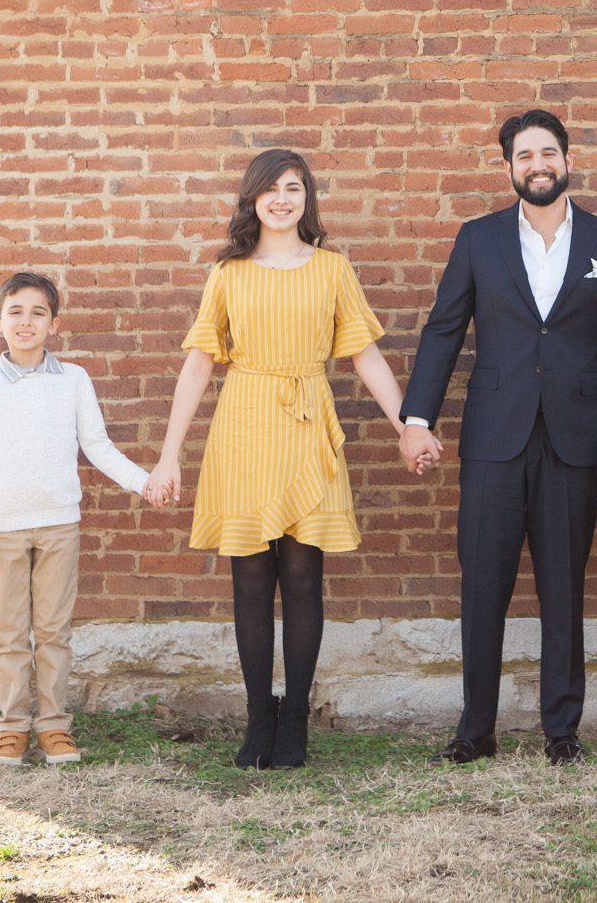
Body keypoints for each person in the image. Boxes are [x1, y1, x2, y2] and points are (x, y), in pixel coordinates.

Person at [399, 109, 597, 767]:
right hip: (493, 437)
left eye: (548, 153)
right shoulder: (478, 239)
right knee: (483, 585)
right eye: (524, 156)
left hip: (573, 440)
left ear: (567, 159)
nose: (538, 165)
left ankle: (561, 730)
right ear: (508, 167)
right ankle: (474, 729)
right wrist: (417, 419)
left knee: (563, 587)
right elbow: (443, 330)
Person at [146, 149, 408, 771]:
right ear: (253, 199)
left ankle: (295, 721)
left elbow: (364, 355)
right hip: (244, 427)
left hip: (308, 424)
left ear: (307, 198)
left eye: (294, 188)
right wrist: (168, 455)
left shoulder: (332, 268)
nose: (282, 199)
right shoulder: (228, 273)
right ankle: (258, 717)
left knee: (303, 575)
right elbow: (199, 363)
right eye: (271, 189)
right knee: (250, 580)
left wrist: (407, 427)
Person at [0, 271, 161, 766]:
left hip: (58, 524)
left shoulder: (73, 380)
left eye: (38, 312)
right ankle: (12, 729)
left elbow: (97, 446)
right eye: (15, 312)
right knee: (9, 633)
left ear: (54, 323)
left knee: (53, 631)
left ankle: (53, 726)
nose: (26, 322)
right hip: (3, 527)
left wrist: (144, 481)